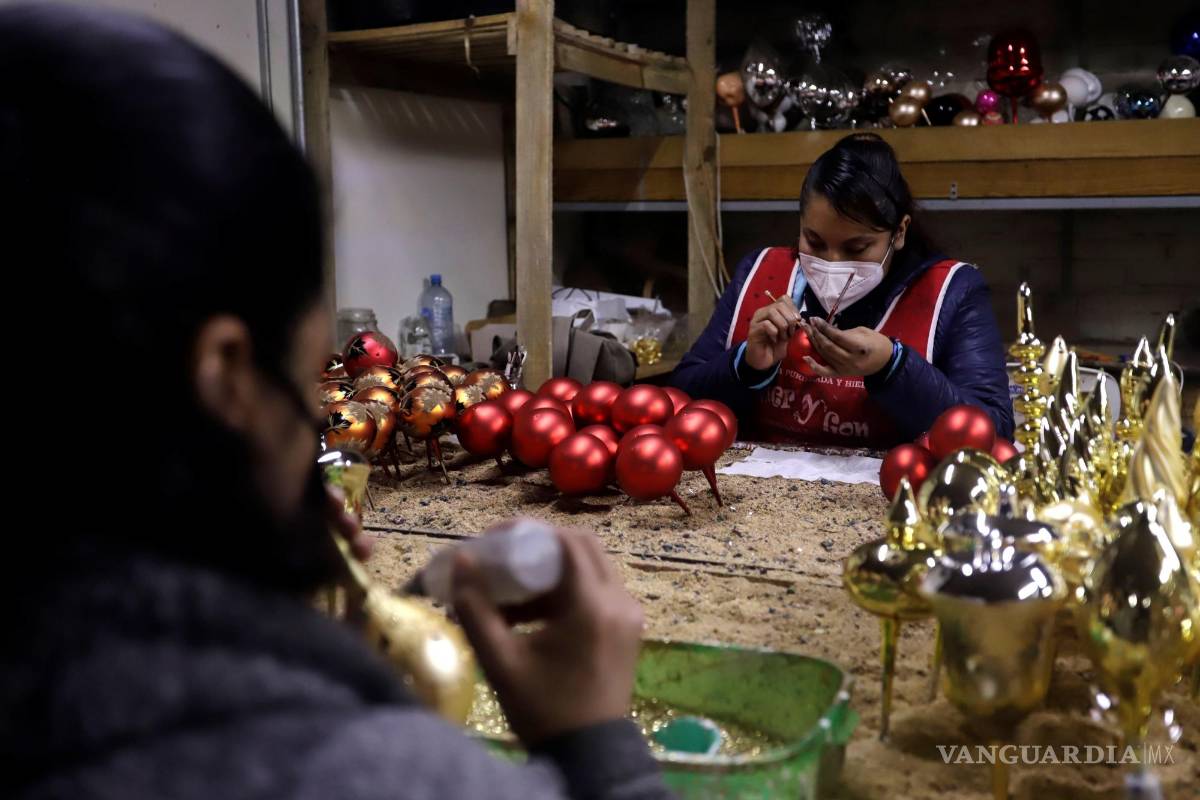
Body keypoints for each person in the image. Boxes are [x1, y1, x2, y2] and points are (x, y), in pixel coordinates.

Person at [0, 6, 670, 800]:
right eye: (310, 364)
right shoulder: (366, 775)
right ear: (229, 378)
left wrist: (249, 603)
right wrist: (594, 746)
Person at [673, 133, 1013, 448]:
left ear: (899, 232)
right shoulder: (761, 273)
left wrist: (892, 367)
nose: (832, 263)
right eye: (814, 241)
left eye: (857, 248)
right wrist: (747, 366)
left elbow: (994, 431)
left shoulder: (951, 291)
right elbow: (679, 400)